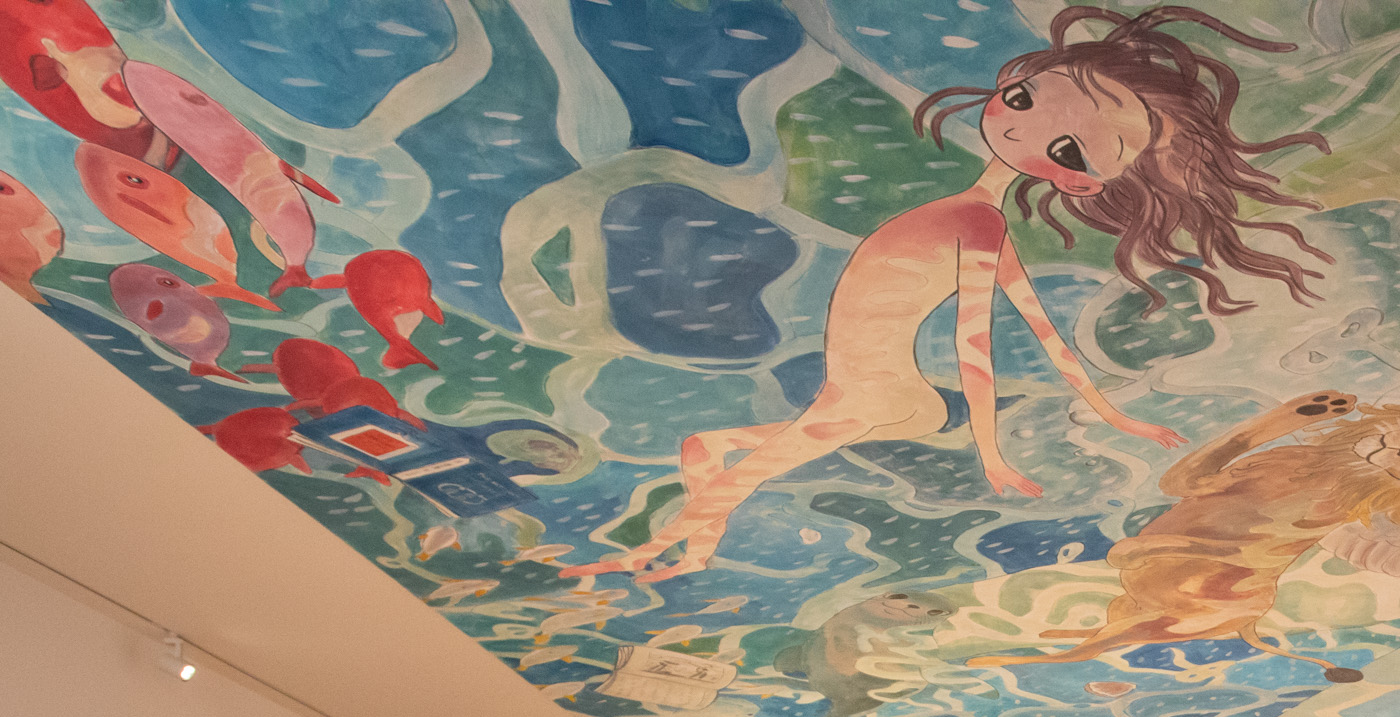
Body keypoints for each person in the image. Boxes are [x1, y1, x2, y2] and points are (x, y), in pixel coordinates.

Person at [568, 5, 1327, 582]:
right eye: (1025, 98)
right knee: (705, 449)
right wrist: (1111, 414)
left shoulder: (975, 222)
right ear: (1012, 80)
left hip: (873, 396)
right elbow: (1044, 336)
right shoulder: (975, 218)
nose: (1023, 127)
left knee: (737, 476)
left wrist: (993, 454)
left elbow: (979, 347)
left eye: (1068, 148)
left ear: (1078, 180)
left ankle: (659, 557)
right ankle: (692, 552)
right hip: (878, 395)